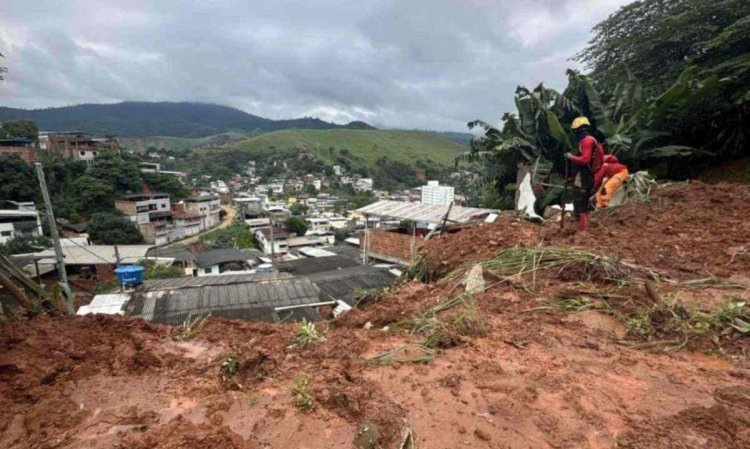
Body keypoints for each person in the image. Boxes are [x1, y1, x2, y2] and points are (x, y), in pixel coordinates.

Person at [565, 117, 604, 231]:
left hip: (584, 176)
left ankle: (582, 230)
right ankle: (582, 228)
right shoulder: (588, 141)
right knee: (581, 203)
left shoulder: (587, 141)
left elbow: (585, 159)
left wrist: (570, 157)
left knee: (580, 202)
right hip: (585, 175)